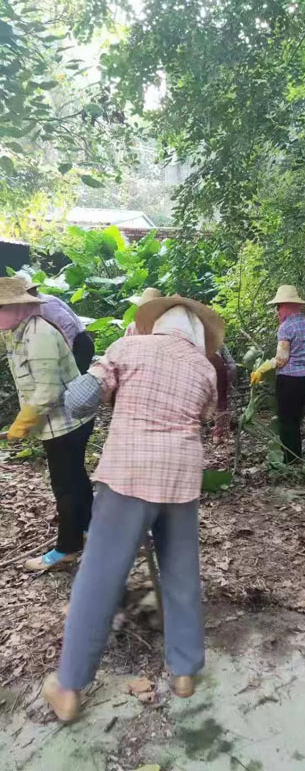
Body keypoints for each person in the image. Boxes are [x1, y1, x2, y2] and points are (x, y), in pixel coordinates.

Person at [41, 295, 222, 722]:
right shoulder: (204, 367)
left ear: (155, 324)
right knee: (180, 572)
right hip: (180, 478)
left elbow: (81, 401)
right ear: (195, 334)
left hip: (129, 475)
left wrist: (109, 364)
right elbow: (207, 414)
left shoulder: (128, 348)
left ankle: (68, 687)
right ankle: (184, 672)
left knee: (100, 577)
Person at [0, 277, 95, 571]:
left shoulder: (38, 334)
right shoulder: (16, 331)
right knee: (76, 477)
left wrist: (21, 424)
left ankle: (67, 548)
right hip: (62, 420)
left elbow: (48, 391)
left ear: (19, 308)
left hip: (66, 422)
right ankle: (90, 529)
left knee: (64, 485)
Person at [250, 285, 305, 462]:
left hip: (289, 380)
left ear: (287, 306)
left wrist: (263, 368)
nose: (277, 311)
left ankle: (290, 459)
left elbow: (281, 359)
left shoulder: (286, 327)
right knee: (296, 418)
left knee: (285, 420)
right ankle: (296, 454)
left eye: (278, 307)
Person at [18, 274, 95, 374]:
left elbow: (68, 325)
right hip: (71, 345)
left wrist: (69, 351)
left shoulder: (46, 303)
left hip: (78, 344)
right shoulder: (33, 306)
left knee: (75, 378)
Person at [209, 344, 237, 444]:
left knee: (220, 406)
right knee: (221, 405)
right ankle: (220, 433)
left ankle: (220, 433)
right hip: (216, 372)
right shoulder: (218, 343)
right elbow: (231, 364)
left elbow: (231, 364)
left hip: (217, 373)